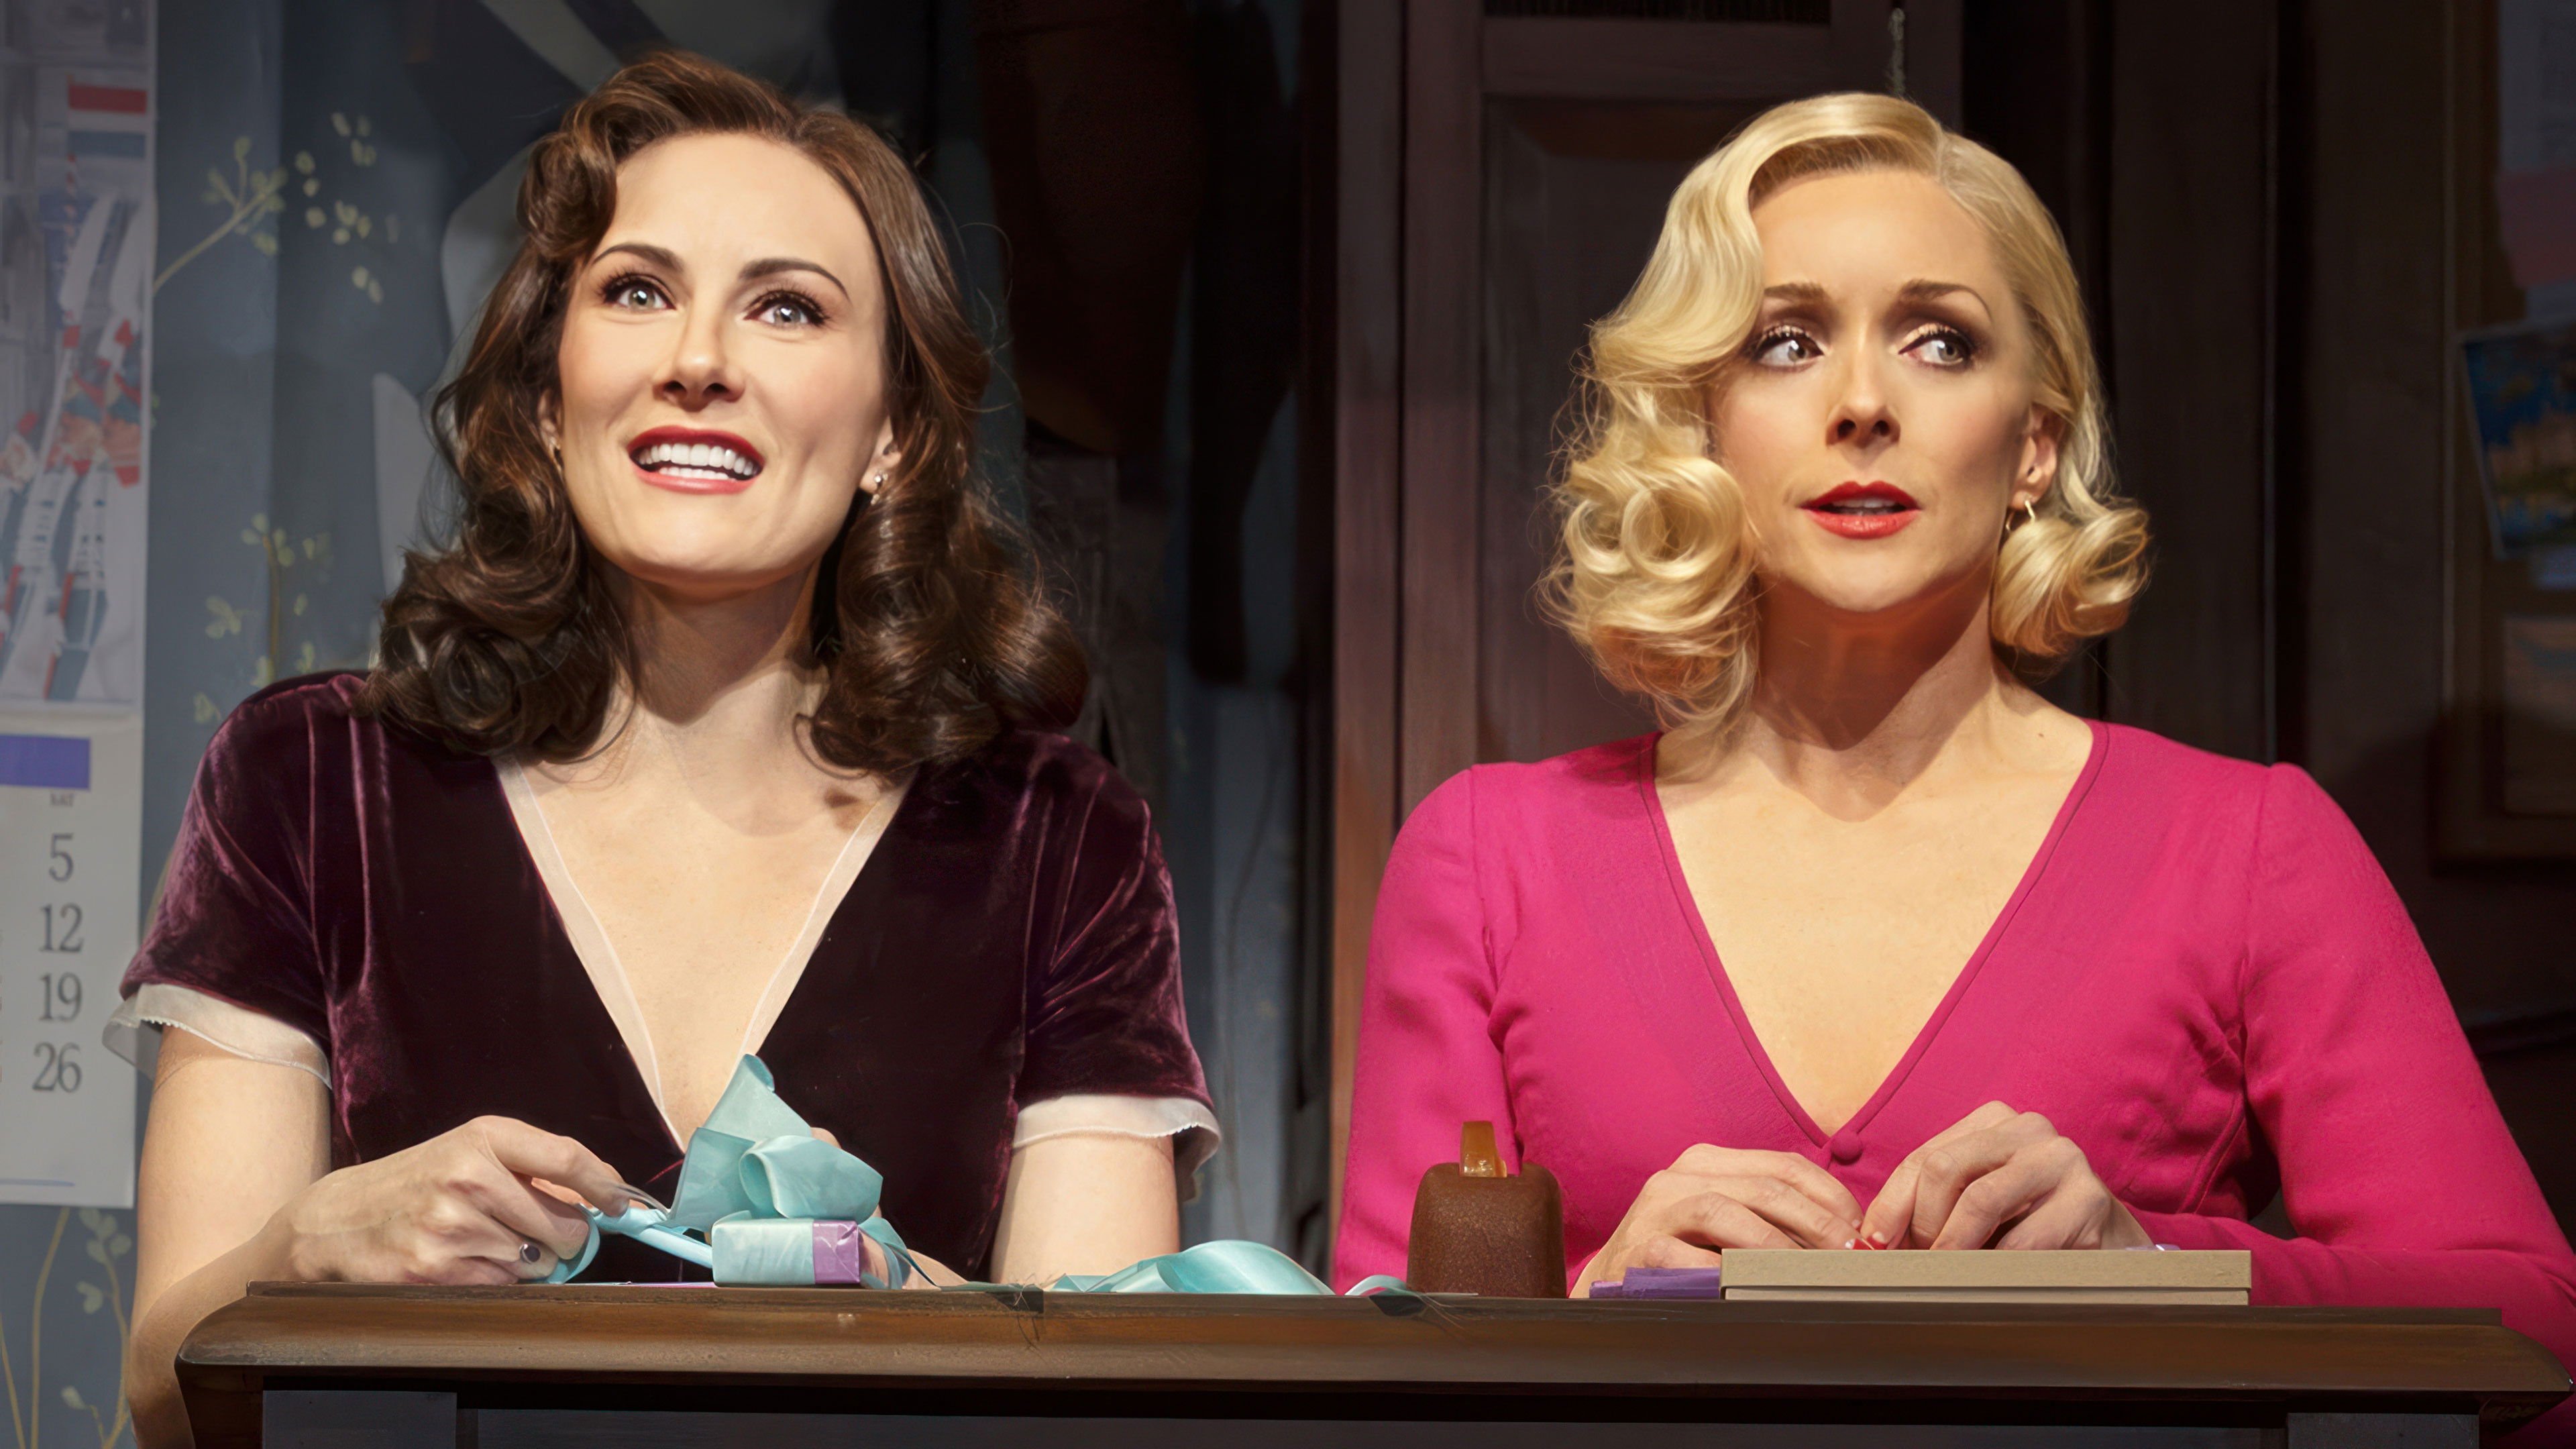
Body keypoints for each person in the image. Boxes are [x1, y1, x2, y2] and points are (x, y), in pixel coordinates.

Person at [1335, 90, 2576, 1421]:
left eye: (1940, 341)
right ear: (1701, 426)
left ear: (2034, 441)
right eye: (1786, 342)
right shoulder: (1489, 858)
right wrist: (1587, 1308)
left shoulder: (2251, 849)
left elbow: (2539, 1336)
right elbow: (1358, 1388)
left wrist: (2155, 1273)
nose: (1864, 404)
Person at [115, 52, 1214, 1446]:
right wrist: (307, 1246)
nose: (698, 359)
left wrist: (879, 1283)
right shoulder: (307, 783)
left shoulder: (1061, 841)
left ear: (891, 431)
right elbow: (165, 1392)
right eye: (637, 291)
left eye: (787, 307)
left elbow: (1103, 1409)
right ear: (544, 393)